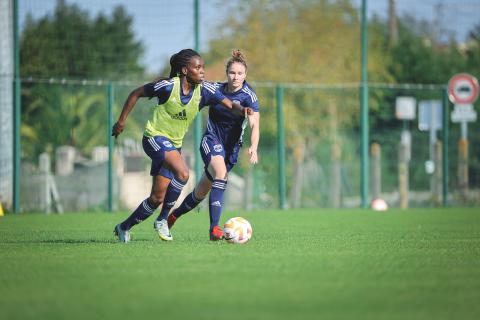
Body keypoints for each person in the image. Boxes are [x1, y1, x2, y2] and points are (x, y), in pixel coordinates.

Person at [112, 48, 252, 243]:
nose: (202, 71)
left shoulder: (205, 90)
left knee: (156, 198)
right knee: (183, 173)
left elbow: (230, 104)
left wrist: (243, 110)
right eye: (198, 67)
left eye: (203, 67)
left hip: (173, 146)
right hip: (154, 138)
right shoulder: (168, 86)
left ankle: (123, 227)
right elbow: (136, 93)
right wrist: (121, 122)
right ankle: (162, 220)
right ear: (185, 70)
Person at [166, 50, 260, 240]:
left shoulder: (249, 96)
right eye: (232, 73)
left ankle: (174, 215)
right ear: (227, 73)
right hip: (211, 140)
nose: (236, 77)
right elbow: (190, 93)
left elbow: (254, 123)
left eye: (240, 73)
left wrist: (254, 147)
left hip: (231, 150)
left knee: (200, 193)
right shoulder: (214, 89)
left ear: (245, 75)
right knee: (221, 174)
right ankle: (214, 229)